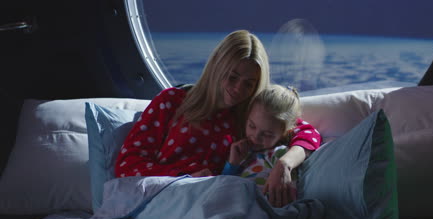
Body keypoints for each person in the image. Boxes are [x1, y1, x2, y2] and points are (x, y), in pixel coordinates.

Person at [114, 30, 321, 207]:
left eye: (249, 84)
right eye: (232, 77)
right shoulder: (172, 102)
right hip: (164, 200)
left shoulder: (251, 115)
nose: (238, 89)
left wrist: (284, 164)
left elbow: (306, 133)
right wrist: (185, 177)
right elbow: (127, 166)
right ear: (216, 66)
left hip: (213, 205)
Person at [222, 84, 318, 204]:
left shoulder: (280, 153)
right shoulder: (242, 152)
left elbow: (285, 195)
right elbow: (223, 186)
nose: (256, 136)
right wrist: (232, 165)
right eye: (252, 126)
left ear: (284, 133)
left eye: (267, 134)